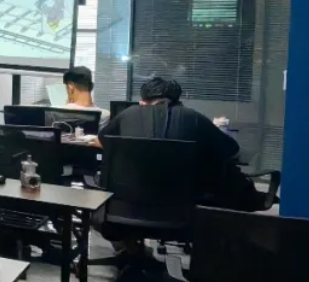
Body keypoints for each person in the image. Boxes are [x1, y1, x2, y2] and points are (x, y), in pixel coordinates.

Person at [97, 76, 258, 210]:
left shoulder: (127, 114)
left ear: (142, 102)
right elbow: (232, 150)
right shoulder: (193, 117)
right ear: (177, 101)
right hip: (181, 214)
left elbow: (104, 140)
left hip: (125, 210)